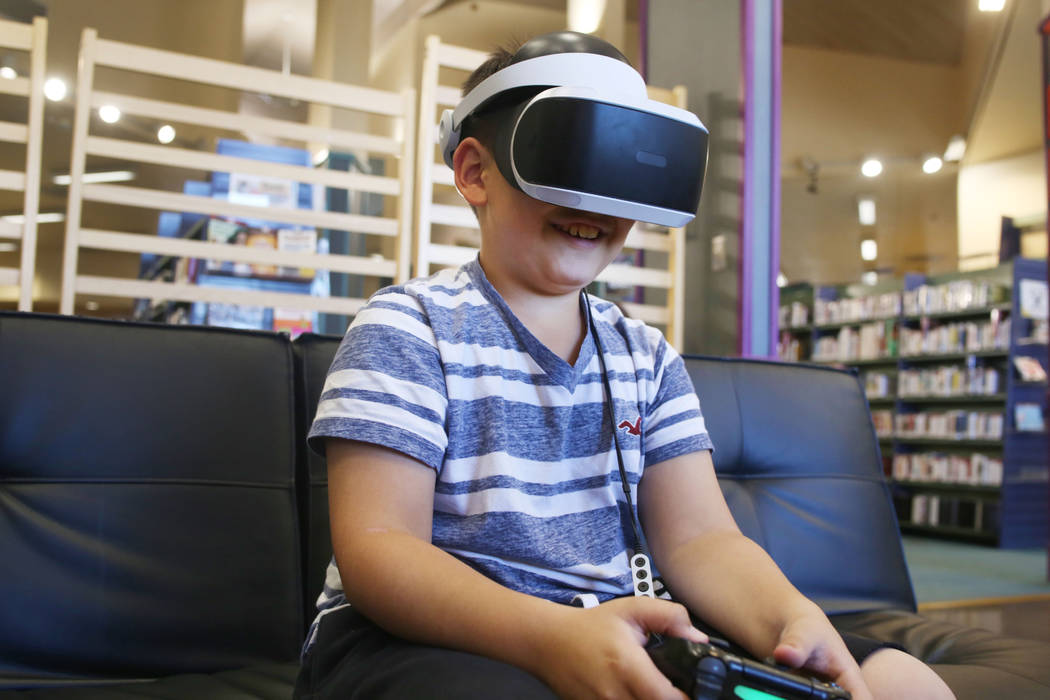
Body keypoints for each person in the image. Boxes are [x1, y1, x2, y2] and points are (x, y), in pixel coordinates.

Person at [294, 31, 954, 700]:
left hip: (616, 624)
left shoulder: (647, 359)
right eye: (569, 161)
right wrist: (553, 639)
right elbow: (380, 548)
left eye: (622, 173)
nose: (594, 205)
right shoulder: (407, 328)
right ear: (474, 172)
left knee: (898, 679)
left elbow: (700, 541)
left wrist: (790, 617)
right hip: (422, 637)